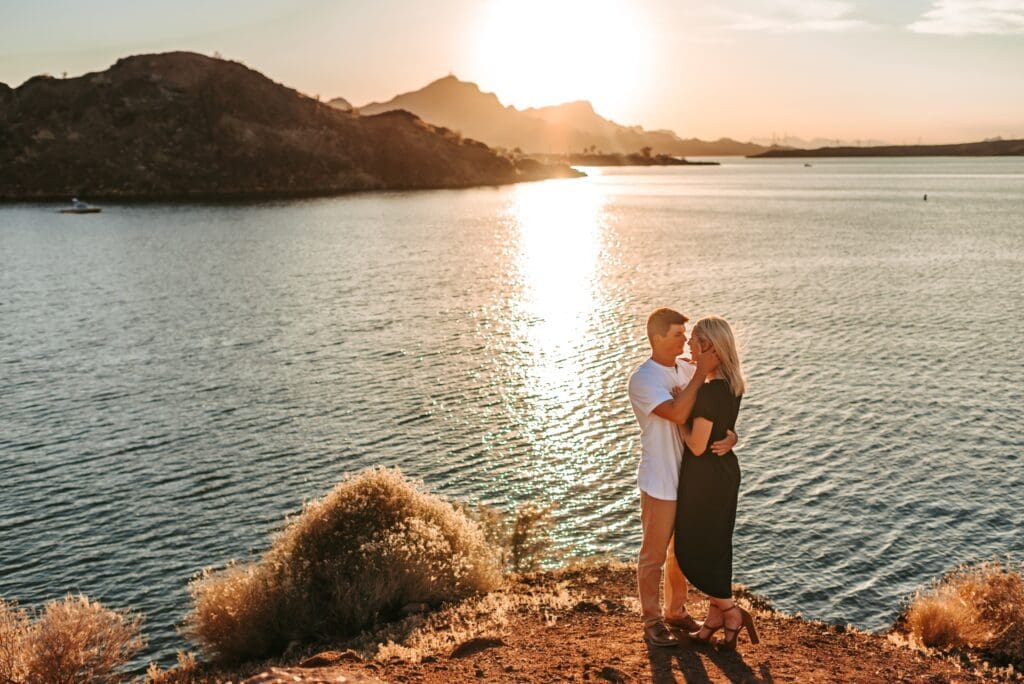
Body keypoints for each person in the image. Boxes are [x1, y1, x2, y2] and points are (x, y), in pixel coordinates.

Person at [627, 308, 737, 647]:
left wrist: (733, 436)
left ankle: (676, 611)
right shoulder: (644, 379)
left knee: (681, 552)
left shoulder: (688, 368)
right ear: (657, 337)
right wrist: (701, 370)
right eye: (677, 334)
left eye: (687, 336)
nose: (686, 341)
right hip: (660, 480)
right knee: (654, 555)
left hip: (691, 481)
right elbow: (676, 412)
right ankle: (652, 620)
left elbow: (717, 403)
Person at [675, 316, 759, 650]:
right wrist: (733, 437)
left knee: (691, 547)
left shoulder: (709, 391)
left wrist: (677, 421)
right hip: (724, 472)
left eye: (694, 339)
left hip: (705, 478)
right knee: (717, 546)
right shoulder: (731, 382)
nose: (688, 344)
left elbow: (696, 445)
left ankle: (730, 611)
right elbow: (722, 427)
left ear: (710, 345)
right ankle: (714, 620)